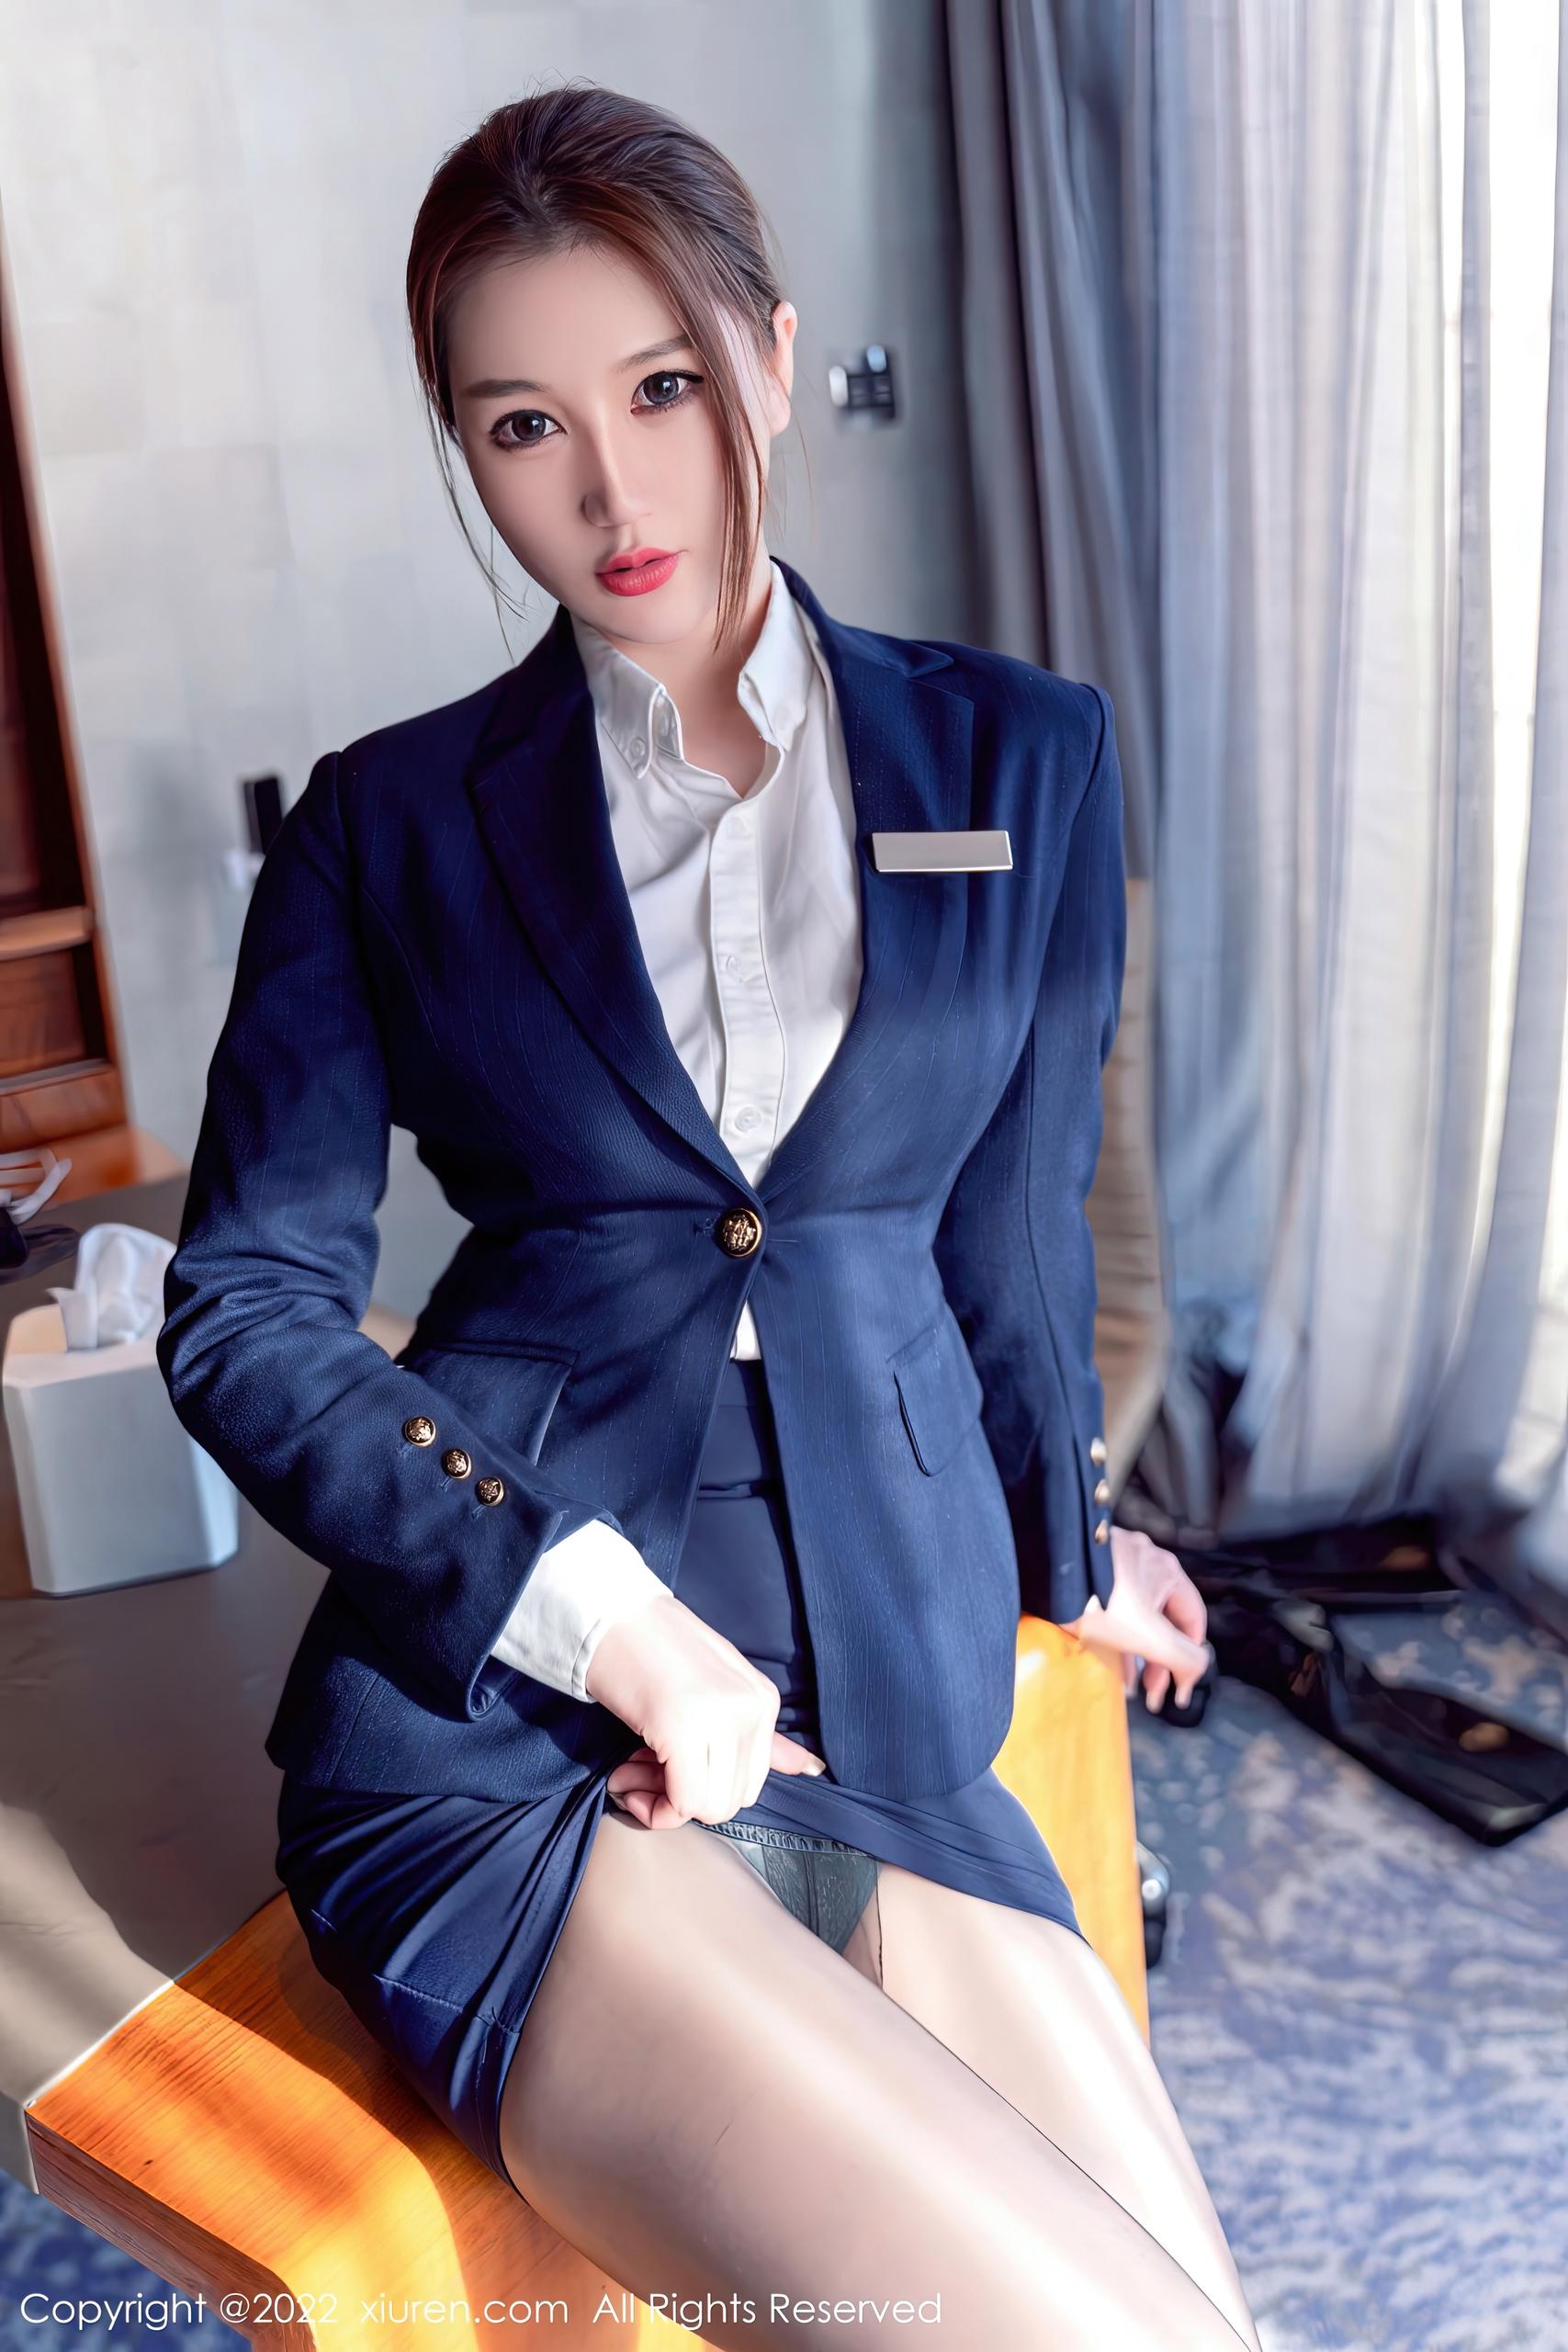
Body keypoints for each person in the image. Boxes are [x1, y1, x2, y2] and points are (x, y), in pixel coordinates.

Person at [159, 83, 1260, 2352]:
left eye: (658, 387)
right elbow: (246, 1306)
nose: (609, 487)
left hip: (887, 1684)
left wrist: (1064, 1537)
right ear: (466, 451)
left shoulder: (1018, 756)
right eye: (522, 425)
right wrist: (594, 1614)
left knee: (1182, 2317)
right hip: (512, 1718)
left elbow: (1006, 1235)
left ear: (766, 356)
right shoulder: (385, 829)